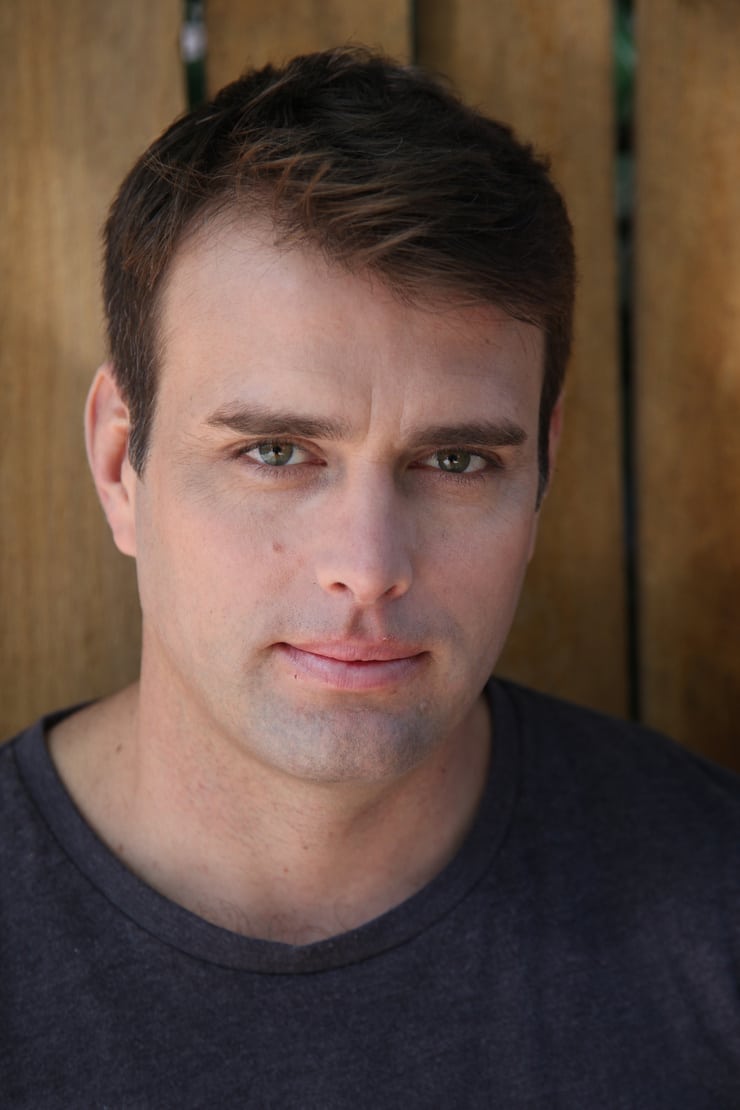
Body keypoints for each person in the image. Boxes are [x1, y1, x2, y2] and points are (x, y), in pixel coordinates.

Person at [1, 46, 738, 1108]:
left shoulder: (712, 896)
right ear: (122, 462)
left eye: (456, 462)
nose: (368, 567)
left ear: (541, 470)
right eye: (275, 452)